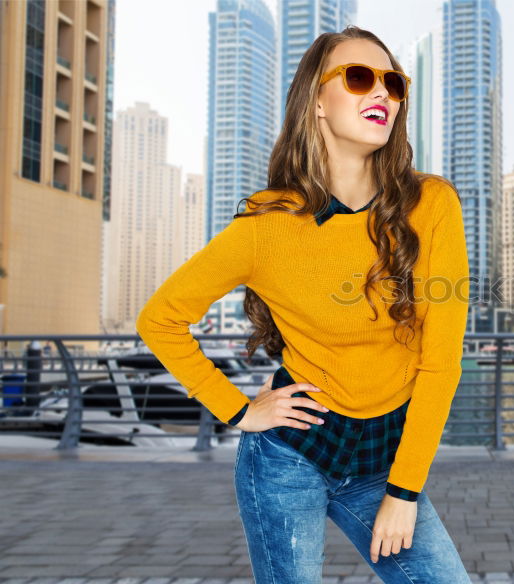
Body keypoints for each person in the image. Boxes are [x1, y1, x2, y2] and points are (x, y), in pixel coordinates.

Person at [135, 26, 472, 583]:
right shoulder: (266, 226)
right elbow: (160, 319)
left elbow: (442, 360)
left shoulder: (432, 204)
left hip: (384, 458)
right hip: (289, 455)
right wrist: (240, 410)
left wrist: (405, 491)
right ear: (317, 101)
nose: (382, 93)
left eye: (393, 82)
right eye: (360, 78)